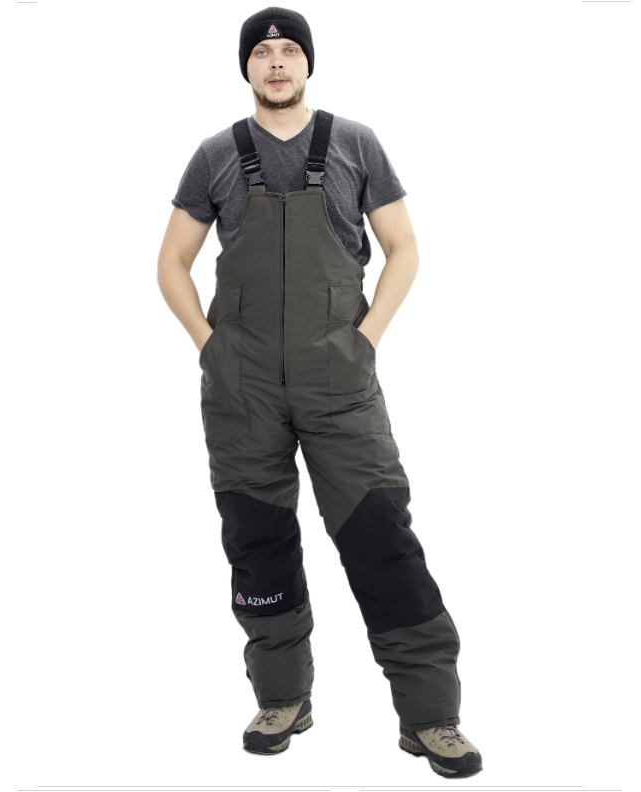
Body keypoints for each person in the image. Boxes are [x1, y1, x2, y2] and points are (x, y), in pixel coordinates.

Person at [157, 6, 482, 778]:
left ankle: (430, 716)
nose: (275, 61)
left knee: (380, 537)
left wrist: (364, 339)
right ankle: (281, 699)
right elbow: (170, 261)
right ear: (246, 67)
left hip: (339, 381)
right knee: (256, 542)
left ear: (307, 64)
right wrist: (209, 345)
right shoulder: (214, 155)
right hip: (241, 389)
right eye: (261, 51)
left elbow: (403, 246)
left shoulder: (354, 143)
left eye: (288, 50)